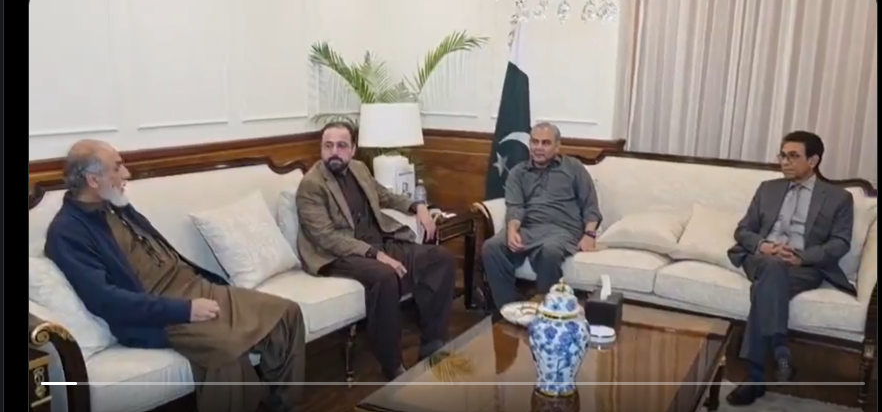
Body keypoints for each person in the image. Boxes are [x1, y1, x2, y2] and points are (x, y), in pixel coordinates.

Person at [44, 140, 306, 412]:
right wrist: (185, 310)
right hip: (159, 313)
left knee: (287, 314)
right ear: (93, 179)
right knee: (225, 350)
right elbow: (106, 300)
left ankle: (282, 405)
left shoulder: (113, 202)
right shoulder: (67, 232)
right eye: (117, 167)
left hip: (195, 286)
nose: (127, 174)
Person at [294, 121, 457, 380]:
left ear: (353, 150)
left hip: (378, 242)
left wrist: (418, 207)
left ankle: (432, 345)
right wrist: (377, 255)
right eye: (328, 146)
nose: (334, 152)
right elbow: (326, 238)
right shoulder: (311, 185)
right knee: (385, 276)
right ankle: (392, 364)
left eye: (341, 146)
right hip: (337, 254)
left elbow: (385, 196)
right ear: (321, 148)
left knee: (441, 259)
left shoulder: (359, 169)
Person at [725, 131, 855, 406]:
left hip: (803, 266)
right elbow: (743, 230)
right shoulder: (767, 189)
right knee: (772, 268)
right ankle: (780, 347)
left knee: (766, 288)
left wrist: (802, 257)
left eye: (793, 156)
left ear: (813, 160)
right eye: (782, 155)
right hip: (761, 259)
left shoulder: (839, 198)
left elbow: (840, 243)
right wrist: (764, 246)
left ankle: (755, 378)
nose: (784, 162)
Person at [481, 122, 603, 309]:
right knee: (491, 247)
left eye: (545, 143)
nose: (538, 147)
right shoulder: (518, 172)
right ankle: (509, 310)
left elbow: (591, 206)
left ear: (557, 146)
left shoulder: (573, 168)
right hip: (529, 228)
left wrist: (589, 235)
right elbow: (515, 207)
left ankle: (548, 311)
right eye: (534, 142)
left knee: (550, 252)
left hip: (563, 230)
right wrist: (512, 230)